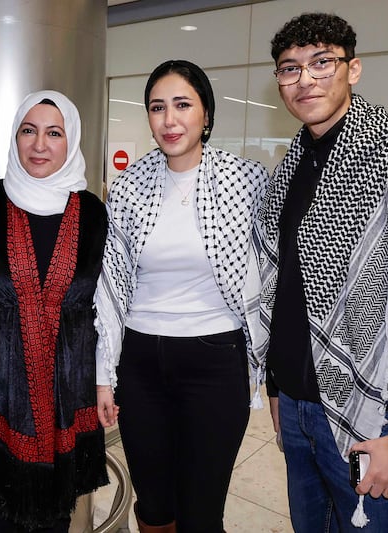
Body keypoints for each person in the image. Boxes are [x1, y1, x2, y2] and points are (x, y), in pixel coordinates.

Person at [256, 12, 388, 532]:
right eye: (290, 69)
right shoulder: (293, 162)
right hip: (296, 403)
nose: (305, 79)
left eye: (321, 62)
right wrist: (276, 388)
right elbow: (285, 286)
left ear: (352, 69)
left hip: (377, 414)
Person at [95, 60, 269, 532]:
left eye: (182, 105)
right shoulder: (129, 186)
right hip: (141, 363)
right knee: (153, 504)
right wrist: (103, 374)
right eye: (157, 107)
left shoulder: (248, 181)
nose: (169, 120)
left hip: (215, 361)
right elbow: (110, 286)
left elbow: (274, 276)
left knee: (201, 509)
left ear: (206, 114)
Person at [0, 90, 109, 532]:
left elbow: (106, 309)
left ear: (73, 141)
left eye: (54, 133)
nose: (39, 145)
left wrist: (108, 380)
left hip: (66, 405)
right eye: (28, 131)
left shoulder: (93, 214)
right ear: (14, 137)